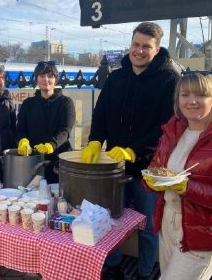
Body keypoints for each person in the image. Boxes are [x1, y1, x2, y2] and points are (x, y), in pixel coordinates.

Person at [81, 22, 180, 280]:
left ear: (157, 50)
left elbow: (166, 125)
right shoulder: (116, 77)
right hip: (114, 166)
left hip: (149, 168)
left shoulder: (169, 79)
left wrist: (134, 151)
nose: (139, 51)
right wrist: (95, 140)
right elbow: (101, 113)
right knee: (112, 219)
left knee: (148, 224)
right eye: (136, 44)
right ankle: (112, 265)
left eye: (146, 46)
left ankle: (145, 273)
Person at [143, 73, 212, 280]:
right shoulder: (172, 133)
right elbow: (156, 167)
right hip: (169, 224)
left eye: (200, 95)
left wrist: (187, 187)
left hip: (205, 232)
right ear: (178, 100)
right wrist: (151, 181)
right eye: (185, 95)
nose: (191, 101)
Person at [16, 61, 75, 184]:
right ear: (36, 79)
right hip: (33, 160)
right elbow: (21, 129)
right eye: (42, 76)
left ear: (55, 80)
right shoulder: (28, 103)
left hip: (59, 160)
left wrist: (51, 145)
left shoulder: (66, 102)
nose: (46, 80)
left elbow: (65, 130)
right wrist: (23, 140)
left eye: (50, 76)